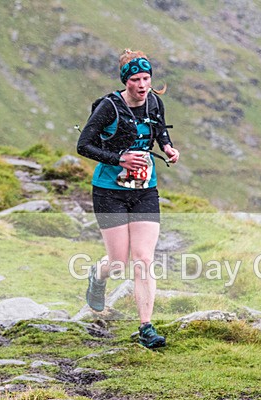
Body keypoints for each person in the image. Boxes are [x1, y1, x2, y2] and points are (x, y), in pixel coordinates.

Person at [77, 48, 180, 349]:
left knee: (144, 259)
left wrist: (169, 148)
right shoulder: (109, 107)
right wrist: (119, 158)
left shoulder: (154, 102)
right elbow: (83, 145)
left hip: (145, 189)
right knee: (118, 262)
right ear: (126, 81)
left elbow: (160, 132)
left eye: (146, 78)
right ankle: (98, 275)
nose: (142, 85)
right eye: (136, 79)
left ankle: (146, 327)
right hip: (109, 190)